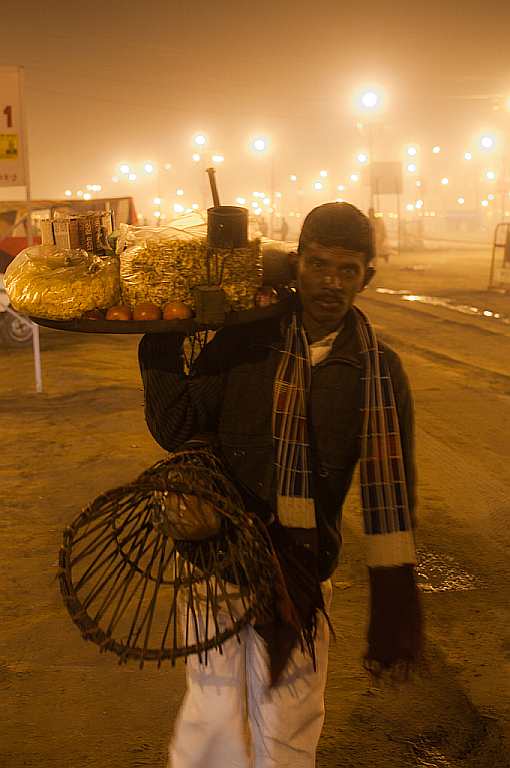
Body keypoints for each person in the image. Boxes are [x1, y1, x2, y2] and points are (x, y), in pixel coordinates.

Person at [138, 202, 422, 768]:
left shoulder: (378, 372)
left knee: (289, 733)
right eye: (318, 265)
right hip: (215, 563)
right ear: (294, 265)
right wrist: (162, 332)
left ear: (368, 275)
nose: (331, 283)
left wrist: (395, 607)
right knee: (212, 726)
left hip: (300, 574)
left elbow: (396, 495)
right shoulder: (247, 340)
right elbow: (178, 428)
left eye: (348, 270)